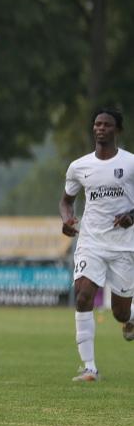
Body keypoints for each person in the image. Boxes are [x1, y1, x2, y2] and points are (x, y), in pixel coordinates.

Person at [60, 107, 134, 382]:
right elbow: (66, 201)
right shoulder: (79, 166)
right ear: (93, 129)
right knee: (83, 295)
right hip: (91, 241)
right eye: (97, 124)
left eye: (107, 125)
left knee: (119, 312)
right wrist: (67, 220)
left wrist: (132, 217)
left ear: (117, 130)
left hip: (124, 246)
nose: (101, 128)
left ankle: (131, 316)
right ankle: (89, 367)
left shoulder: (130, 163)